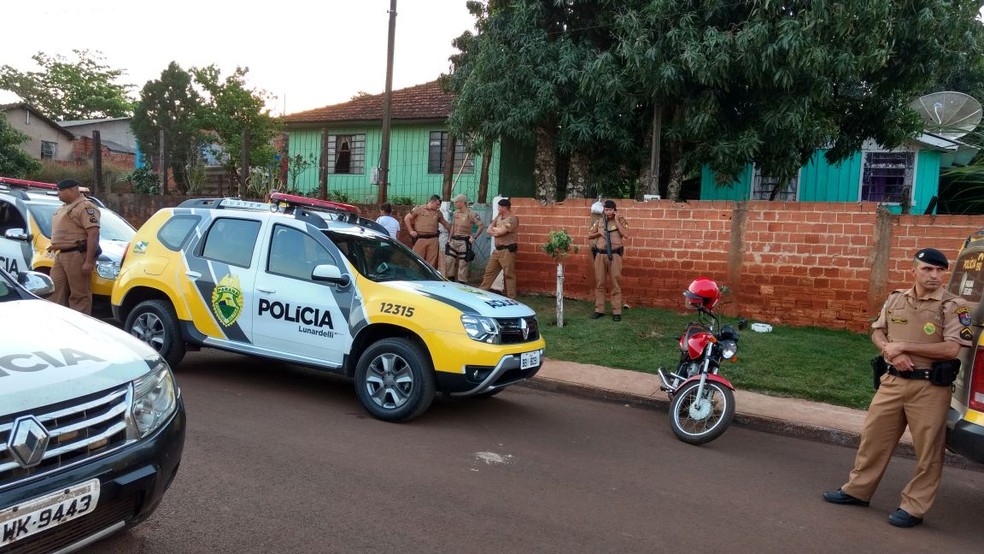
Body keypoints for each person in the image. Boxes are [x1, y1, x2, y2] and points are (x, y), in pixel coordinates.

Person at [823, 248, 973, 528]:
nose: (935, 276)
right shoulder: (896, 299)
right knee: (873, 440)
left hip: (929, 387)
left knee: (929, 451)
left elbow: (952, 348)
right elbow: (878, 331)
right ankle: (858, 490)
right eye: (928, 269)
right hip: (892, 382)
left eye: (940, 270)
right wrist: (890, 352)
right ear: (913, 270)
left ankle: (913, 506)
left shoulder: (952, 305)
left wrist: (903, 346)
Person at [47, 179, 101, 315]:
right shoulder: (64, 207)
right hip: (62, 255)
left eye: (61, 191)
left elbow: (93, 233)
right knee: (54, 290)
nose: (58, 193)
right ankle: (57, 322)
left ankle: (80, 326)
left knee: (79, 295)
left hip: (77, 254)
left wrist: (88, 261)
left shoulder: (86, 207)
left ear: (72, 190)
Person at [587, 200, 629, 321]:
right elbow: (589, 234)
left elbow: (625, 234)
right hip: (600, 255)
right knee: (600, 283)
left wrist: (616, 220)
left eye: (610, 209)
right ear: (604, 210)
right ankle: (599, 310)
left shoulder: (621, 220)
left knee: (615, 283)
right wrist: (599, 233)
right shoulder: (599, 221)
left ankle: (616, 312)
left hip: (615, 255)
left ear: (614, 210)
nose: (608, 212)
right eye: (606, 209)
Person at [479, 198, 519, 298]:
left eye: (499, 207)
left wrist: (496, 231)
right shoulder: (498, 217)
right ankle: (481, 293)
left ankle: (511, 298)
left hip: (507, 251)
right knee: (489, 272)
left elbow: (502, 232)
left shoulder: (512, 218)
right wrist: (496, 230)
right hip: (497, 251)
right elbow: (488, 230)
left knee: (509, 275)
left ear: (504, 207)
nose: (498, 208)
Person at [445, 193, 484, 283]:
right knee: (449, 260)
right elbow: (453, 226)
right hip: (454, 239)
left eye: (456, 202)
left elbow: (481, 225)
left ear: (462, 202)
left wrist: (474, 237)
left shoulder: (471, 213)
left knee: (463, 263)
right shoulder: (455, 212)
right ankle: (450, 280)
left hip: (464, 241)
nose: (455, 203)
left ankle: (462, 283)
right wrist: (449, 238)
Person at [404, 194, 451, 268]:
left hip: (433, 240)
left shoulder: (438, 213)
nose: (439, 206)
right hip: (420, 239)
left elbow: (445, 224)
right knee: (416, 261)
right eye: (437, 204)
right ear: (431, 202)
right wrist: (411, 231)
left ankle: (429, 278)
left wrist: (453, 231)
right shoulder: (419, 209)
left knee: (431, 262)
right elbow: (407, 218)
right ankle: (415, 278)